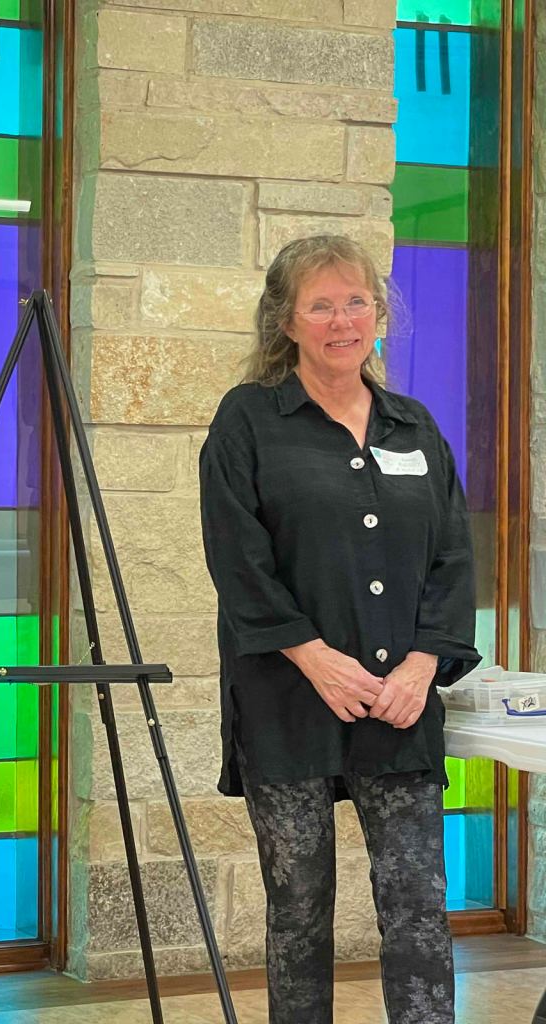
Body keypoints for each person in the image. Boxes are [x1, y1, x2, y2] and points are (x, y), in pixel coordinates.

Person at [198, 235, 481, 1024]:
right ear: (286, 320)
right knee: (299, 913)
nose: (341, 320)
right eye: (320, 305)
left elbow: (454, 560)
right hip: (289, 703)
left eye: (356, 301)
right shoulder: (249, 420)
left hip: (400, 705)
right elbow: (238, 559)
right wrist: (315, 658)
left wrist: (423, 665)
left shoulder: (413, 427)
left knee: (419, 908)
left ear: (379, 313)